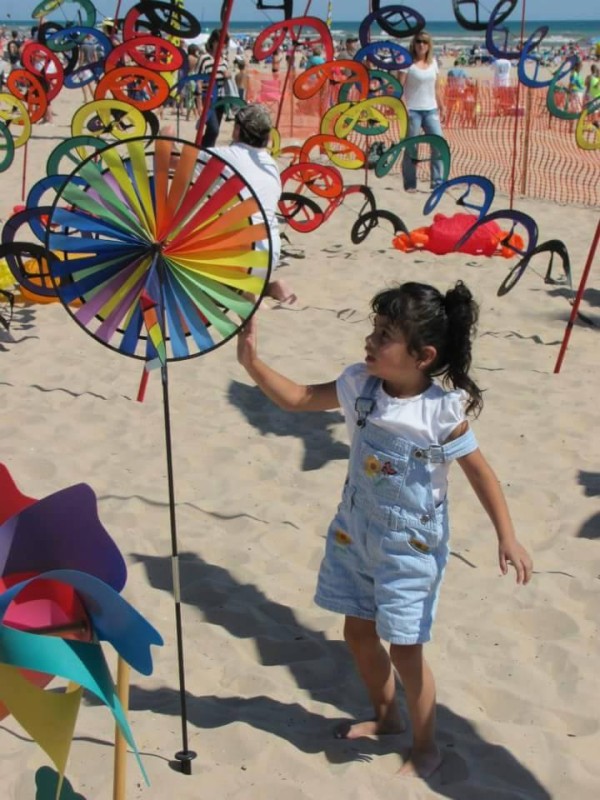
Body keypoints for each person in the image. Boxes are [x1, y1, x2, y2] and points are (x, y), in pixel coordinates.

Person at [236, 280, 533, 778]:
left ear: (423, 355)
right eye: (374, 329)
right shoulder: (359, 387)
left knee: (406, 649)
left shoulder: (440, 411)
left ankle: (425, 745)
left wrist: (507, 534)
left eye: (386, 334)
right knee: (356, 632)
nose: (371, 341)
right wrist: (251, 362)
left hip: (410, 547)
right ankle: (384, 716)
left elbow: (479, 471)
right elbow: (297, 398)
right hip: (355, 536)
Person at [162, 104, 294, 303]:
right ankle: (267, 289)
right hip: (268, 256)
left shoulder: (222, 157)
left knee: (170, 263)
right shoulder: (271, 166)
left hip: (236, 258)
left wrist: (166, 134)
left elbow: (171, 160)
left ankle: (263, 292)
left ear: (238, 130)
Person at [398, 32, 446, 193]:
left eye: (425, 42)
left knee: (438, 144)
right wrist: (403, 106)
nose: (421, 45)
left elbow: (436, 88)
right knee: (412, 147)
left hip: (430, 109)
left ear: (429, 45)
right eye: (418, 41)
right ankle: (410, 183)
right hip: (413, 111)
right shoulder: (407, 63)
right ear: (414, 43)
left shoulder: (433, 63)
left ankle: (437, 182)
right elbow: (399, 88)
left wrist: (442, 106)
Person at [196, 28, 232, 148]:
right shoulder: (204, 59)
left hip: (221, 99)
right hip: (208, 98)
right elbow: (198, 81)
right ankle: (204, 151)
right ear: (213, 42)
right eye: (220, 41)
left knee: (213, 132)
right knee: (214, 129)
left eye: (225, 42)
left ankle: (204, 151)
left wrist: (228, 75)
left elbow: (228, 76)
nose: (222, 45)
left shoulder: (225, 59)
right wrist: (199, 103)